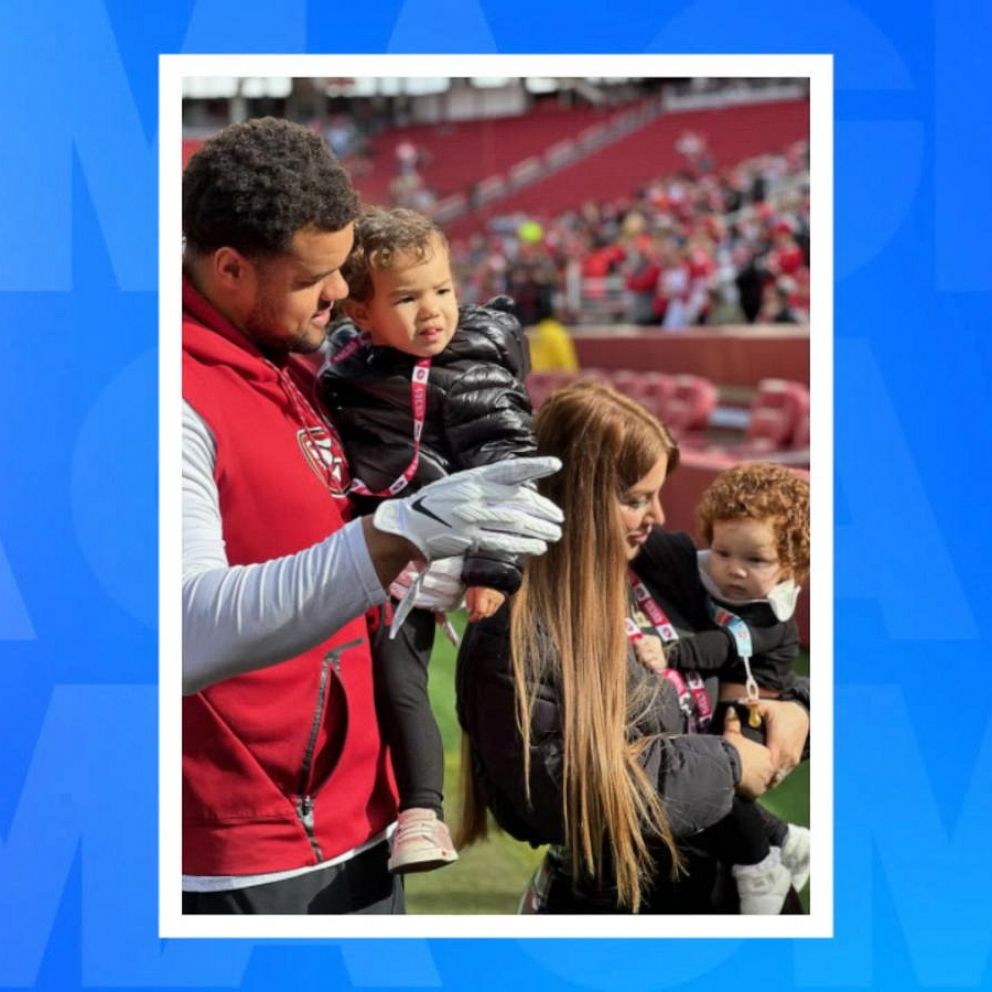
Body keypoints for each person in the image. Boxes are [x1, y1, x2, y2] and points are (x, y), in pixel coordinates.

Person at [181, 117, 563, 915]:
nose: (340, 297)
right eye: (319, 276)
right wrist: (396, 536)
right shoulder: (171, 391)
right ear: (230, 269)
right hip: (245, 849)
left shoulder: (294, 361)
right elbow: (179, 633)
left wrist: (441, 550)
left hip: (357, 813)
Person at [456, 381, 810, 913]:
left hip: (736, 895)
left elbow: (768, 642)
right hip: (612, 907)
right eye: (636, 499)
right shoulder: (511, 631)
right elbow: (559, 799)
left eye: (658, 494)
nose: (661, 517)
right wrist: (728, 762)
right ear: (578, 495)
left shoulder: (668, 568)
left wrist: (800, 709)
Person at [318, 206, 537, 875]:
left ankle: (423, 812)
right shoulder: (350, 365)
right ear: (359, 310)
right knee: (385, 678)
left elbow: (509, 467)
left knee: (423, 682)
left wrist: (491, 571)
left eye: (443, 289)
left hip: (443, 557)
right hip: (372, 547)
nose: (433, 311)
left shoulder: (470, 365)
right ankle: (397, 809)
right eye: (408, 298)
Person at [631, 461, 811, 912]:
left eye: (756, 560)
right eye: (723, 552)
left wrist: (668, 653)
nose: (733, 570)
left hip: (757, 704)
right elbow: (662, 553)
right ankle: (786, 838)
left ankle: (759, 867)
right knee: (712, 775)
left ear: (791, 563)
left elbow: (723, 646)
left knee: (723, 779)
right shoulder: (707, 571)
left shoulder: (772, 609)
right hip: (726, 698)